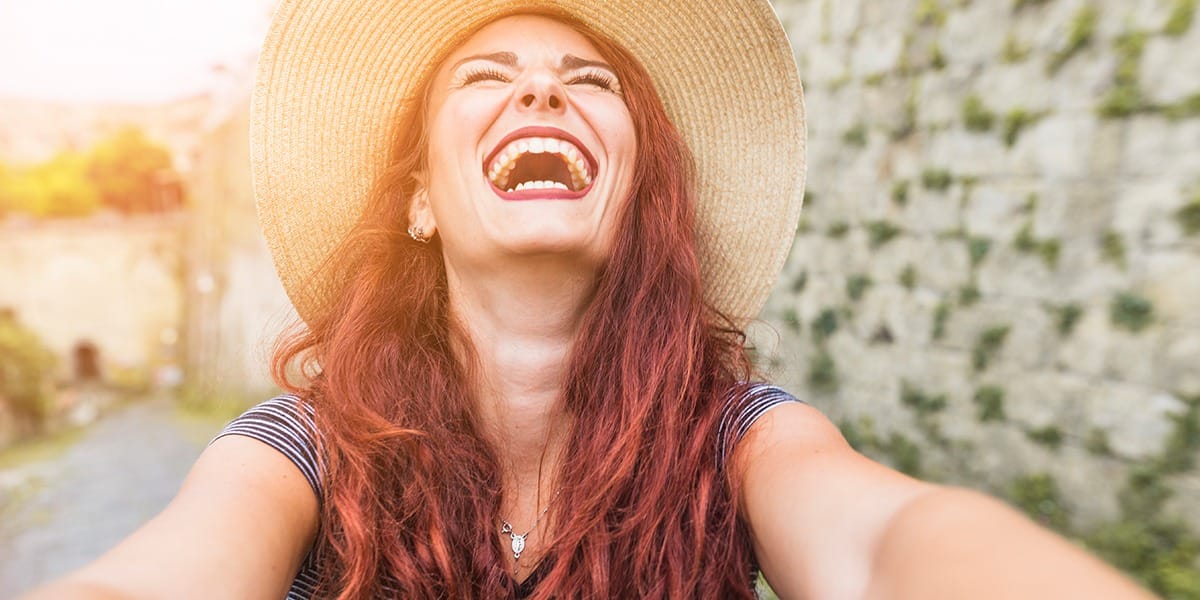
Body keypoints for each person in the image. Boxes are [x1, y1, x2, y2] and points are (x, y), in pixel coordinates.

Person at [26, 1, 1159, 598]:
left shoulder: (741, 440)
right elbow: (156, 578)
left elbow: (887, 545)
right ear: (421, 203)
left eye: (588, 83)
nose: (538, 88)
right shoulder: (303, 453)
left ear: (636, 193)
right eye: (487, 76)